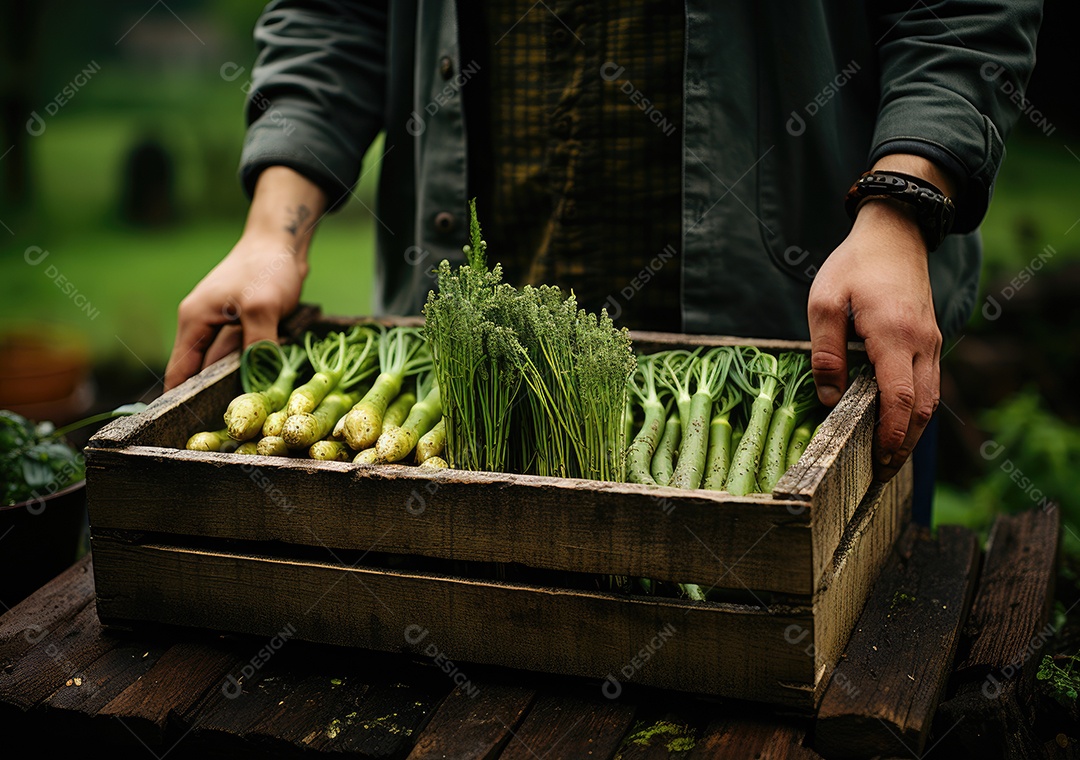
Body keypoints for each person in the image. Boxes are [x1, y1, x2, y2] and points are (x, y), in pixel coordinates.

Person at [165, 1, 1042, 513]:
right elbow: (332, 13)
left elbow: (964, 11)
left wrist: (902, 203)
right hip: (464, 381)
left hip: (799, 334)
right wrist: (271, 232)